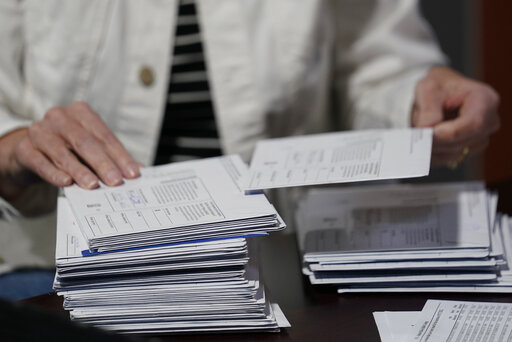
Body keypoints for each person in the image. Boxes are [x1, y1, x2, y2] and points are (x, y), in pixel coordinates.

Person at [0, 0, 500, 298]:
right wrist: (12, 145)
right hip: (61, 263)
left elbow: (377, 61)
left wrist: (421, 96)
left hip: (282, 260)